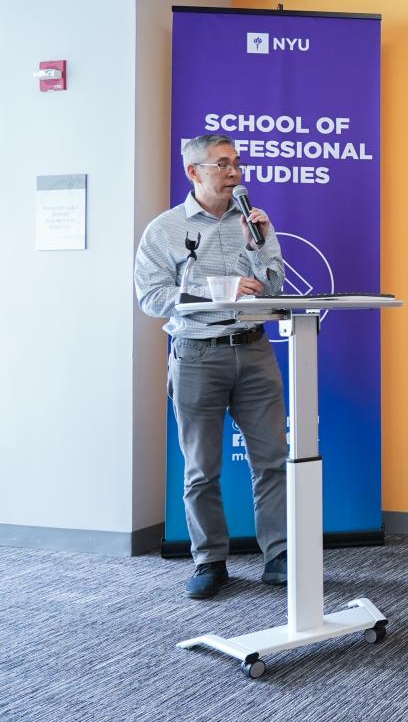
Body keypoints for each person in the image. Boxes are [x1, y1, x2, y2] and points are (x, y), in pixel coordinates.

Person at [134, 134, 288, 599]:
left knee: (273, 461)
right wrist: (215, 291)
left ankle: (279, 555)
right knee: (201, 468)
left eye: (237, 163)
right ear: (194, 172)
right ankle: (209, 561)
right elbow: (151, 297)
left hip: (254, 349)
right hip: (198, 354)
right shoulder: (164, 229)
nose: (235, 173)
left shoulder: (254, 221)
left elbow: (275, 287)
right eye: (223, 164)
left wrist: (258, 248)